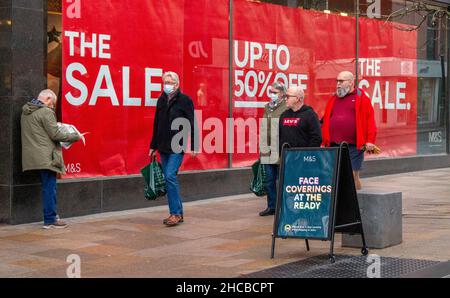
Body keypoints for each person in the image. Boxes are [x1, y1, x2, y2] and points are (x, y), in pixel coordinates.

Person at [21, 89, 83, 229]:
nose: (53, 107)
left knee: (47, 187)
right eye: (52, 104)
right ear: (48, 99)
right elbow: (55, 134)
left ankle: (50, 215)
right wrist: (76, 136)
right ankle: (50, 219)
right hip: (46, 156)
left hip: (32, 156)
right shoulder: (46, 112)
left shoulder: (26, 112)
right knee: (50, 188)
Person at [149, 71, 197, 226]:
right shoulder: (161, 100)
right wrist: (153, 145)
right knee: (170, 178)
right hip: (163, 145)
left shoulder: (185, 100)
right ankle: (179, 213)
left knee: (169, 176)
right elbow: (157, 123)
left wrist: (195, 145)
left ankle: (175, 213)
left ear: (177, 84)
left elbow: (192, 122)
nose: (167, 85)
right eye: (165, 82)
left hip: (177, 144)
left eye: (169, 82)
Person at [321, 71, 377, 190]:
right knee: (334, 175)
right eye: (337, 81)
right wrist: (323, 140)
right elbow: (326, 119)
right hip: (333, 144)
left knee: (352, 175)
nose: (338, 84)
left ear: (351, 82)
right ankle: (339, 203)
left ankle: (357, 201)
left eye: (341, 81)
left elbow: (370, 120)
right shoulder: (333, 98)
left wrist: (370, 140)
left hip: (354, 145)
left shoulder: (361, 97)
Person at [258, 82, 288, 216]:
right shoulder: (267, 107)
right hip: (267, 149)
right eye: (270, 91)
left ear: (282, 93)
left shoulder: (286, 108)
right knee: (269, 180)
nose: (272, 94)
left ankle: (283, 206)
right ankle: (271, 206)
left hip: (279, 148)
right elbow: (264, 128)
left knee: (280, 180)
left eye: (274, 92)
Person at [279, 86, 322, 155]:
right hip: (287, 159)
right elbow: (279, 136)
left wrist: (306, 155)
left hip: (303, 159)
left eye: (288, 96)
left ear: (297, 99)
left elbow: (316, 138)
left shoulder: (310, 115)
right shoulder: (284, 115)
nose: (285, 99)